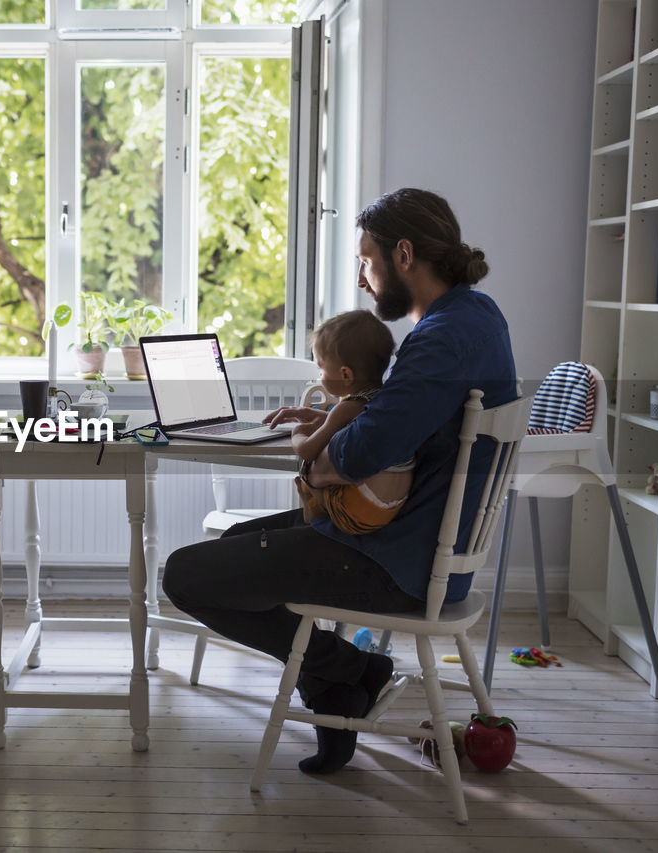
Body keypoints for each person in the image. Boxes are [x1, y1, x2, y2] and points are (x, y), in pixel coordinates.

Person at [161, 187, 517, 775]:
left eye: (366, 261)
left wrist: (322, 454)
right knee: (230, 550)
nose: (362, 279)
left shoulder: (440, 341)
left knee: (184, 574)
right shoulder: (476, 318)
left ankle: (352, 673)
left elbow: (357, 456)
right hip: (417, 550)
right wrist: (333, 420)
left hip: (396, 565)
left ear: (403, 254)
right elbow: (384, 426)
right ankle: (337, 690)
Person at [293, 309, 414, 534]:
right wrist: (326, 419)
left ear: (346, 375)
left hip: (354, 513)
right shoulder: (385, 401)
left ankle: (311, 505)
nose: (319, 375)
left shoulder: (347, 406)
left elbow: (308, 451)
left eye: (321, 368)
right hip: (392, 508)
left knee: (303, 469)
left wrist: (298, 433)